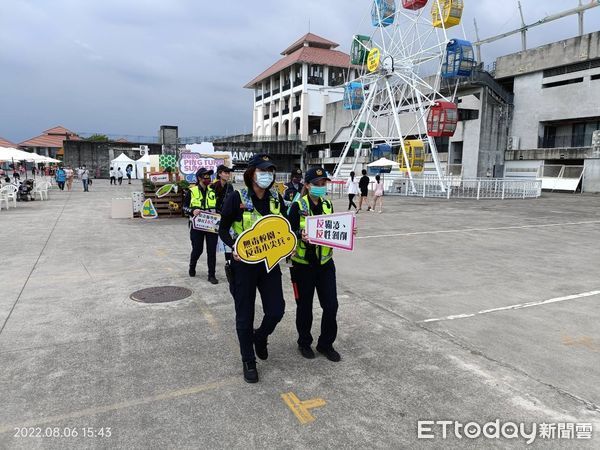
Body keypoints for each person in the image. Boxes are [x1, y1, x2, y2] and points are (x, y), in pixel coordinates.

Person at [218, 154, 287, 383]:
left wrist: (291, 244)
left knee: (276, 310)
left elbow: (285, 228)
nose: (267, 175)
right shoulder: (237, 196)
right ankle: (248, 360)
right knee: (244, 316)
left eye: (270, 171)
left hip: (270, 264)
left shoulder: (277, 198)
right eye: (263, 170)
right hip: (243, 266)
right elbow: (223, 229)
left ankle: (261, 336)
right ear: (251, 173)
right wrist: (233, 248)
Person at [288, 167, 341, 362]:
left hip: (325, 263)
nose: (321, 187)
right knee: (304, 306)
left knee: (331, 306)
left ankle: (326, 344)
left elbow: (335, 229)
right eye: (317, 184)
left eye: (323, 183)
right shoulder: (297, 206)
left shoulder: (328, 205)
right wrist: (299, 236)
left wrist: (348, 232)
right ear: (307, 185)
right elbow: (287, 233)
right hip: (303, 265)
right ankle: (304, 342)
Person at [183, 167, 219, 284]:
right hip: (197, 225)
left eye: (209, 176)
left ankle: (211, 275)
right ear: (199, 178)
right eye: (206, 176)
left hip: (211, 224)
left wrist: (218, 213)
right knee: (198, 249)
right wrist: (192, 211)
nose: (208, 178)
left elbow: (218, 207)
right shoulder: (192, 191)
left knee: (212, 251)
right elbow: (184, 207)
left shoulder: (213, 192)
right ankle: (192, 265)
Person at [211, 164, 235, 262]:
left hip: (226, 217)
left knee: (227, 240)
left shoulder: (230, 186)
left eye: (229, 173)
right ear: (219, 174)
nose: (228, 174)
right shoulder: (213, 186)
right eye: (226, 172)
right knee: (212, 242)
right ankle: (211, 265)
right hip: (215, 217)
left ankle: (228, 262)